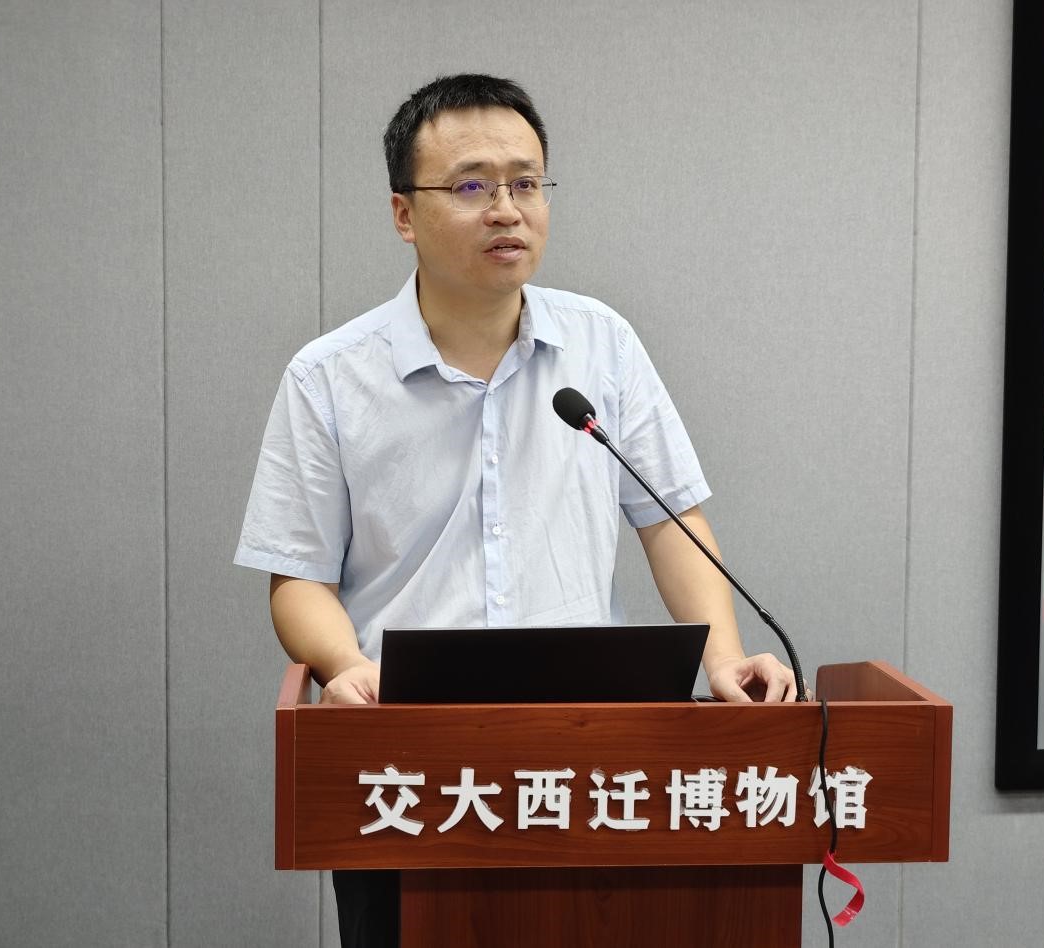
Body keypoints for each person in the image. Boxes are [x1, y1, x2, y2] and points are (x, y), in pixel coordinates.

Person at [235, 73, 799, 948]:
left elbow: (670, 522)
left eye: (525, 182)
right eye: (471, 185)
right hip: (409, 764)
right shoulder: (329, 379)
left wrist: (722, 659)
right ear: (403, 213)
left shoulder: (602, 345)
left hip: (591, 762)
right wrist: (343, 665)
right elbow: (297, 579)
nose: (506, 209)